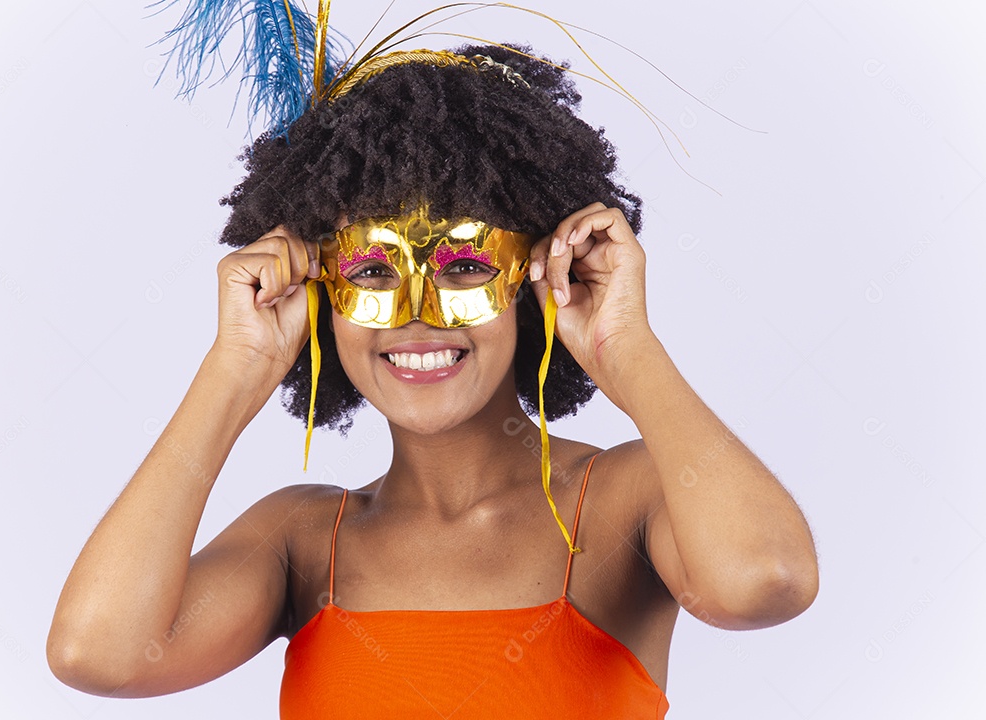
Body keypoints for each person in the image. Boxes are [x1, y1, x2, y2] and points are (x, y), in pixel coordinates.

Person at [46, 9, 819, 717]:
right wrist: (234, 369)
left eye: (463, 265)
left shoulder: (624, 500)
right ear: (322, 297)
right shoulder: (304, 537)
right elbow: (97, 655)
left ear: (532, 281)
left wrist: (629, 350)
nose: (418, 310)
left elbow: (765, 582)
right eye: (373, 272)